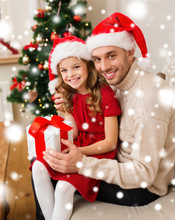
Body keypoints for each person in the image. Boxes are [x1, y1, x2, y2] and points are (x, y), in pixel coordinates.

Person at [43, 12, 175, 208]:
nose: (103, 67)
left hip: (141, 188)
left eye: (111, 56)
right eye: (97, 59)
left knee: (54, 174)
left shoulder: (150, 97)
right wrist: (66, 106)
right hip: (116, 160)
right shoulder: (116, 84)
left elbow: (143, 175)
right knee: (43, 161)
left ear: (130, 52)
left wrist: (81, 163)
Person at [31, 35, 121, 220]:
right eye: (64, 70)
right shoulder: (70, 94)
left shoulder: (105, 94)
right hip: (78, 144)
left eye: (76, 67)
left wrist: (78, 152)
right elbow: (74, 132)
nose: (70, 75)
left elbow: (111, 143)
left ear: (88, 66)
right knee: (39, 166)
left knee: (64, 188)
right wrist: (66, 110)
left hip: (98, 152)